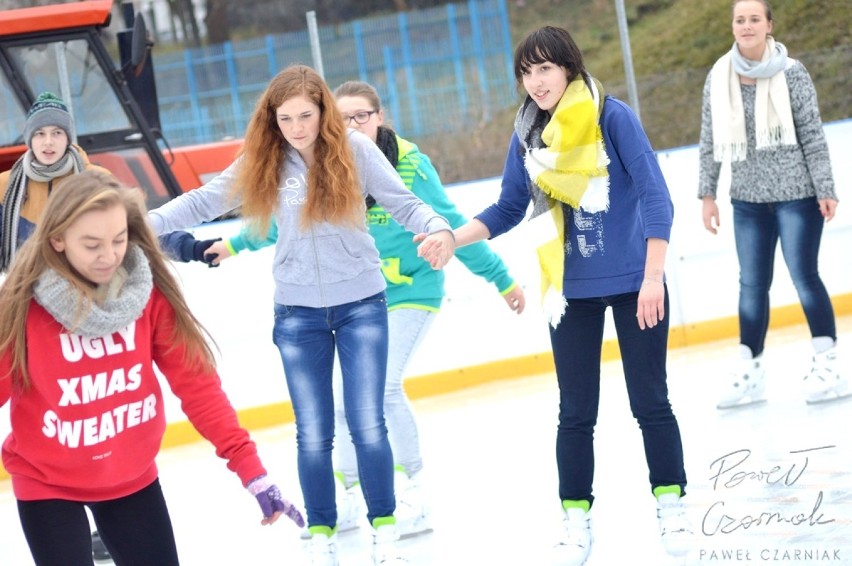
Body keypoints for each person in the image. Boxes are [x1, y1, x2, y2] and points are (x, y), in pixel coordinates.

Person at [146, 65, 455, 566]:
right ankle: (325, 535)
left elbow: (404, 202)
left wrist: (438, 228)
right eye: (284, 118)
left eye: (305, 116)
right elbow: (206, 200)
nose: (296, 127)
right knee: (313, 431)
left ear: (323, 112)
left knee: (367, 422)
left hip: (361, 305)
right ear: (271, 119)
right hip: (297, 314)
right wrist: (140, 221)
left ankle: (385, 532)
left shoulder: (353, 149)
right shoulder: (265, 158)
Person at [198, 79, 526, 540]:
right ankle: (347, 492)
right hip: (354, 300)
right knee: (343, 403)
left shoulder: (409, 167)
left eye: (362, 116)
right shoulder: (327, 160)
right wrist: (232, 244)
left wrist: (500, 278)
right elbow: (288, 225)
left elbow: (449, 225)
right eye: (344, 117)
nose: (353, 124)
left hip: (411, 293)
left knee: (383, 390)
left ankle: (415, 490)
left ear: (380, 118)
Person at [421, 26, 691, 565]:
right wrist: (453, 235)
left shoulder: (611, 117)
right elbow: (507, 207)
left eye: (545, 67)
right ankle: (575, 519)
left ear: (569, 66)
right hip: (571, 290)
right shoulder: (527, 134)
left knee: (650, 401)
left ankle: (672, 505)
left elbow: (658, 197)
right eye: (527, 70)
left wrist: (654, 276)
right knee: (575, 412)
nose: (536, 80)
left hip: (639, 280)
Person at [0, 170, 304, 566]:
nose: (109, 256)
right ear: (57, 240)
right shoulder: (25, 308)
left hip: (132, 480)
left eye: (119, 240)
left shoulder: (145, 295)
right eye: (91, 244)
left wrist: (252, 470)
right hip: (47, 483)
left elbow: (198, 387)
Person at [698, 0, 843, 409]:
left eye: (754, 19)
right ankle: (751, 371)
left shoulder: (792, 73)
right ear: (733, 26)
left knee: (804, 277)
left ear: (768, 26)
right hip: (746, 199)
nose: (746, 26)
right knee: (751, 285)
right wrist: (707, 194)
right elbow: (709, 140)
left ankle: (828, 362)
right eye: (740, 20)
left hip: (797, 194)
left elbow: (813, 134)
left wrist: (825, 188)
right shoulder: (718, 76)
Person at [0, 92, 112, 273]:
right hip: (23, 286)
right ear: (30, 139)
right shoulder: (4, 184)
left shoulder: (99, 181)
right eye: (39, 134)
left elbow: (122, 235)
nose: (48, 142)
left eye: (57, 133)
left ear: (67, 138)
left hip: (83, 282)